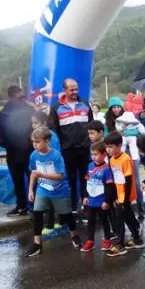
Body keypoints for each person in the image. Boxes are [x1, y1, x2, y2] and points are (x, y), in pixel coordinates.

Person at [26, 126, 80, 256]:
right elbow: (34, 173)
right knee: (37, 213)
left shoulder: (56, 156)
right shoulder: (33, 155)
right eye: (33, 141)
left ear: (47, 141)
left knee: (67, 214)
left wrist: (43, 175)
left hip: (59, 190)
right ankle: (37, 243)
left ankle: (74, 235)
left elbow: (60, 176)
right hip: (42, 189)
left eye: (38, 142)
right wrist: (30, 190)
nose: (35, 145)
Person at [53, 79, 94, 218]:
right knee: (70, 180)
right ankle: (73, 209)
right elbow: (54, 131)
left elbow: (92, 126)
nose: (75, 92)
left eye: (76, 89)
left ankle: (86, 206)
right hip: (67, 150)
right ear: (64, 90)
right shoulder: (56, 108)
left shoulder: (85, 105)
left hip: (84, 148)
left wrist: (90, 143)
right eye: (71, 90)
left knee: (85, 178)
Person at [0, 85, 36, 216]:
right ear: (11, 97)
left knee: (33, 179)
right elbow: (1, 131)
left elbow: (36, 128)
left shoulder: (29, 110)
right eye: (19, 97)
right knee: (17, 180)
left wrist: (31, 144)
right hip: (13, 151)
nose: (22, 99)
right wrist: (5, 143)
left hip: (29, 151)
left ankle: (36, 206)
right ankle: (21, 206)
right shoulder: (4, 112)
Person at [105, 131, 144, 256]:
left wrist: (125, 199)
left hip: (126, 195)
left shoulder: (126, 159)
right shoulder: (111, 160)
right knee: (128, 217)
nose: (108, 149)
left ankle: (120, 245)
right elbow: (115, 180)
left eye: (111, 147)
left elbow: (128, 181)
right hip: (119, 195)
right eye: (107, 147)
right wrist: (116, 196)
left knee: (119, 219)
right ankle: (137, 239)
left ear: (119, 145)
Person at [81, 141, 114, 253]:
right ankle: (90, 241)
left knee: (105, 220)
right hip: (91, 201)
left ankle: (107, 240)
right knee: (90, 221)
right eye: (92, 154)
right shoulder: (90, 166)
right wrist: (85, 196)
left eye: (96, 154)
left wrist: (107, 201)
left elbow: (110, 186)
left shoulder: (107, 169)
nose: (93, 157)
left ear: (104, 154)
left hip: (102, 201)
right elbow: (87, 182)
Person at [115, 110, 145, 218]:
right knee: (122, 183)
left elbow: (143, 133)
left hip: (133, 157)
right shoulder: (120, 127)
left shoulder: (137, 127)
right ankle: (126, 209)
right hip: (121, 158)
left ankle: (140, 209)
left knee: (136, 184)